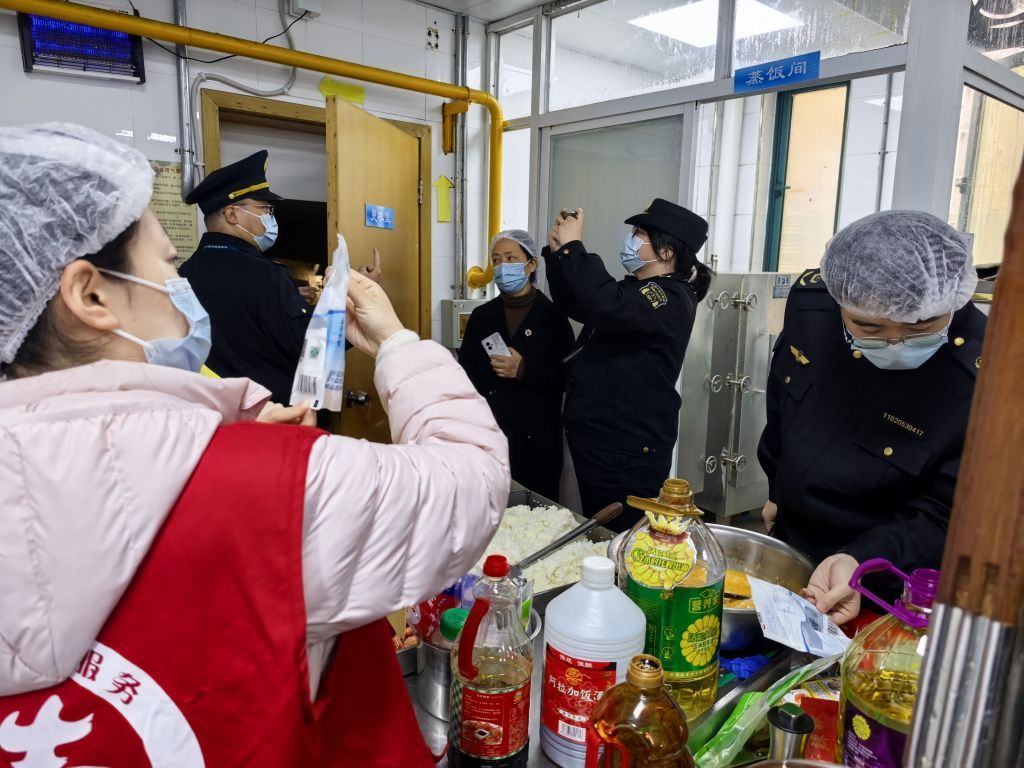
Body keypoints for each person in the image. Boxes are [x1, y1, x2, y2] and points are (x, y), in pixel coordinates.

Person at [0, 123, 509, 766]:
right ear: (90, 294)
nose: (182, 285)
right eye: (167, 263)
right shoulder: (267, 488)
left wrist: (223, 428)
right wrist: (396, 343)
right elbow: (471, 483)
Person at [758, 210, 986, 625]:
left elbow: (951, 511)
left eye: (921, 326)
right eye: (868, 326)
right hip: (792, 540)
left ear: (955, 299)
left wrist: (861, 561)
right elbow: (784, 398)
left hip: (885, 577)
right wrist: (777, 487)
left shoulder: (986, 374)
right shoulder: (813, 306)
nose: (895, 342)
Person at [544, 200, 712, 531]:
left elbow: (606, 305)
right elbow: (578, 303)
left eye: (640, 233)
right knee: (600, 526)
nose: (631, 239)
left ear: (666, 251)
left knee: (621, 534)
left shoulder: (669, 297)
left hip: (627, 446)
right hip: (603, 438)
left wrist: (574, 247)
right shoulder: (636, 289)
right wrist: (558, 255)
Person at [179, 151, 381, 403]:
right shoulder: (264, 274)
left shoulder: (184, 273)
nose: (270, 217)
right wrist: (355, 295)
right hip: (267, 413)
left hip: (210, 409)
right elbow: (309, 347)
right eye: (265, 208)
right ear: (232, 214)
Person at [458, 230, 575, 501]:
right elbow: (466, 377)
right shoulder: (482, 317)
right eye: (496, 260)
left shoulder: (553, 317)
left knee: (538, 513)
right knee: (490, 510)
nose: (502, 267)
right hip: (491, 437)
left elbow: (568, 377)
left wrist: (523, 369)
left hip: (538, 440)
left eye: (511, 258)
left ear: (531, 265)